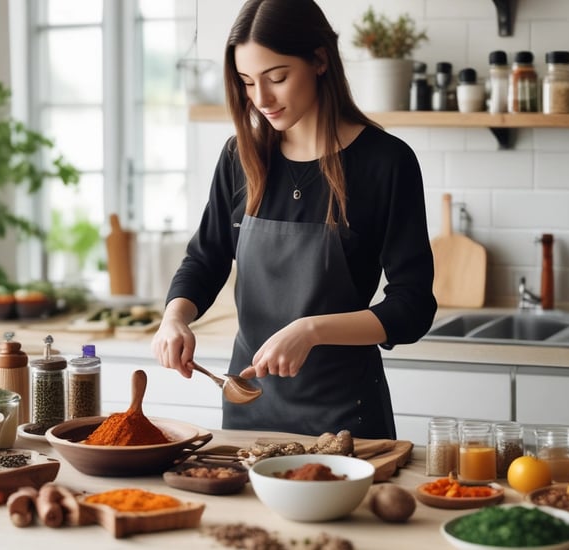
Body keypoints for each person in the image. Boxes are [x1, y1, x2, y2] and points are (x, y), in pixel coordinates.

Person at [151, 0, 436, 440]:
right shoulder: (240, 157)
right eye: (247, 83)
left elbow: (413, 307)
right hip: (248, 411)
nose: (261, 99)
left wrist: (311, 330)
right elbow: (205, 259)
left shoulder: (386, 162)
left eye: (277, 78)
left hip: (346, 422)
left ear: (320, 60)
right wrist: (175, 317)